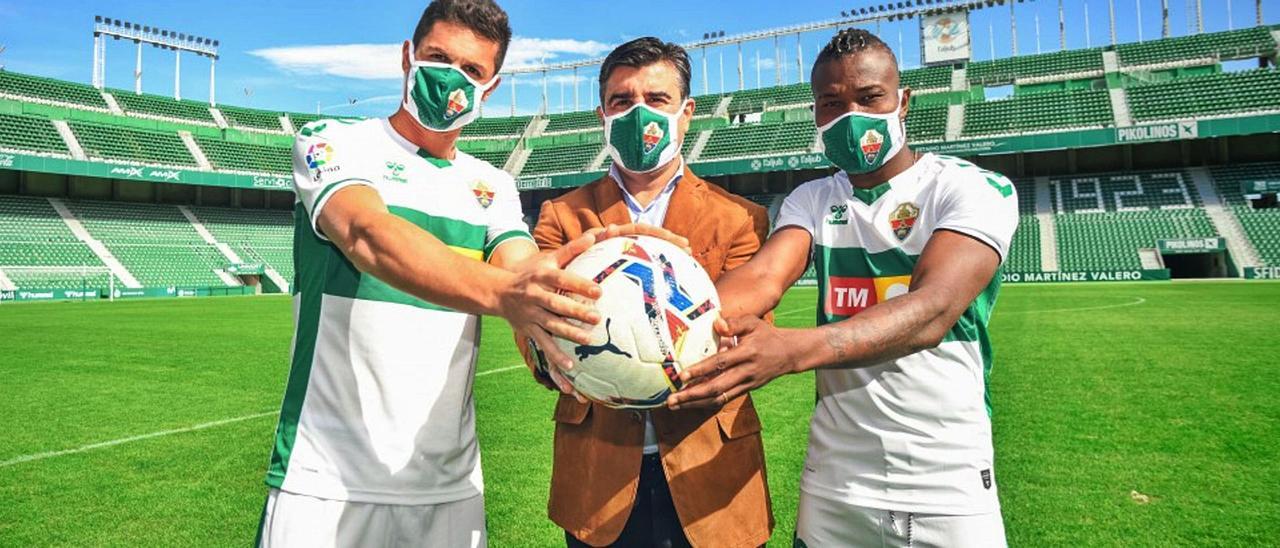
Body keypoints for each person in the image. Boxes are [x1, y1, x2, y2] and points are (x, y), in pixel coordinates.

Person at [256, 2, 683, 546]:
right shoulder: (334, 141)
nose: (452, 79)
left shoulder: (492, 187)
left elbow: (523, 267)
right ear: (407, 57)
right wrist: (509, 293)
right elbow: (366, 235)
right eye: (438, 58)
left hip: (450, 488)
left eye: (472, 70)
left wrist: (612, 286)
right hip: (325, 480)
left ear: (492, 85)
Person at [667, 28, 1019, 547]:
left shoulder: (970, 188)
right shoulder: (812, 199)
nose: (849, 115)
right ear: (816, 115)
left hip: (947, 482)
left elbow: (932, 309)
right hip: (833, 483)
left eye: (869, 97)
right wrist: (667, 315)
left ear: (903, 100)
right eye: (831, 104)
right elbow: (764, 278)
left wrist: (794, 351)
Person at [522, 37, 774, 548]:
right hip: (599, 479)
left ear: (687, 113)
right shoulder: (562, 217)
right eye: (622, 101)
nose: (640, 113)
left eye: (657, 99)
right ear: (603, 115)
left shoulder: (741, 218)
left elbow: (751, 334)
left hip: (712, 474)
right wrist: (555, 358)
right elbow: (532, 333)